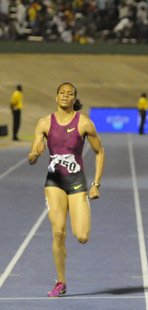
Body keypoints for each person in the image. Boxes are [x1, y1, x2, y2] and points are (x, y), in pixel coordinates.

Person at [27, 82, 105, 297]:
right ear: (56, 97)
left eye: (70, 94)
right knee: (58, 232)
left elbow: (100, 152)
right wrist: (35, 154)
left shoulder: (84, 124)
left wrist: (96, 184)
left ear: (74, 99)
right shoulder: (44, 123)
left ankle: (83, 205)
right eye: (62, 93)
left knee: (81, 236)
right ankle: (61, 282)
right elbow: (32, 157)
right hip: (54, 182)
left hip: (77, 182)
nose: (65, 96)